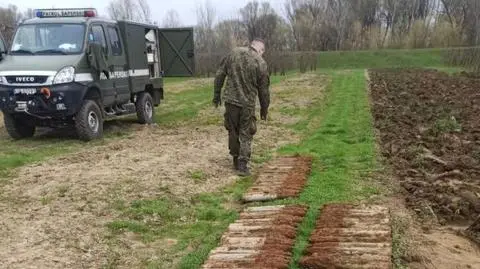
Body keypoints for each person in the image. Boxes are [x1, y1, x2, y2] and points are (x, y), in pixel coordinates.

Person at [212, 38, 271, 176]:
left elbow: (219, 74)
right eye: (263, 52)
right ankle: (243, 164)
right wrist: (264, 108)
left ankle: (235, 158)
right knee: (246, 133)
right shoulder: (260, 62)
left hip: (231, 101)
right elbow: (264, 90)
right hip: (247, 104)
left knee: (232, 130)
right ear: (260, 49)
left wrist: (216, 95)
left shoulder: (233, 53)